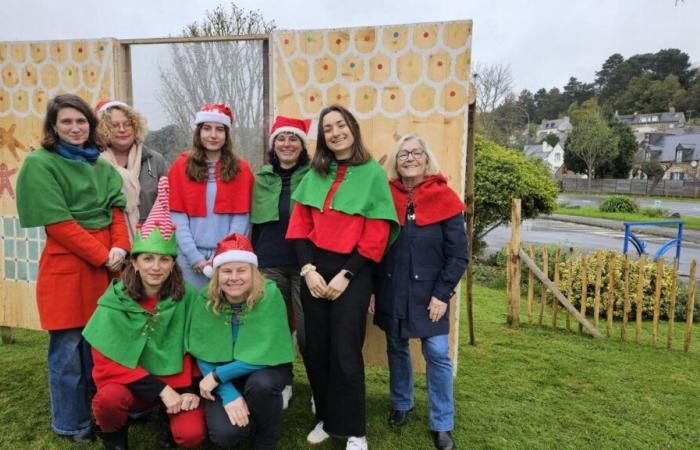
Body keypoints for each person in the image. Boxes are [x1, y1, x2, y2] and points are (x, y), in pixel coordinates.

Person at [15, 93, 130, 443]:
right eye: (66, 121)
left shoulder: (102, 165)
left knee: (105, 347)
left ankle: (106, 412)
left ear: (91, 125)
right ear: (53, 126)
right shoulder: (40, 163)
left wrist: (121, 246)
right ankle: (72, 422)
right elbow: (58, 223)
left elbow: (116, 211)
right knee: (68, 351)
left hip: (107, 262)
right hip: (70, 263)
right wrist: (101, 253)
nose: (75, 127)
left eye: (81, 121)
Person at [286, 104, 399, 450]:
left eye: (341, 125)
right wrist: (308, 270)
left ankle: (354, 429)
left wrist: (347, 274)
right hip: (315, 270)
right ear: (323, 137)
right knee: (316, 349)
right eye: (328, 128)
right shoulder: (314, 174)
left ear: (352, 127)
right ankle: (326, 418)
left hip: (354, 271)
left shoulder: (372, 175)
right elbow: (300, 227)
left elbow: (377, 233)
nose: (335, 133)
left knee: (346, 352)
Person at [83, 177, 206, 450]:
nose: (156, 267)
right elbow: (105, 362)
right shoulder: (114, 300)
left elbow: (202, 344)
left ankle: (168, 419)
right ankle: (115, 440)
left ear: (173, 264)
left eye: (164, 259)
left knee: (192, 435)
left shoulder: (189, 297)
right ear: (135, 263)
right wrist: (160, 390)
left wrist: (193, 390)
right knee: (108, 400)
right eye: (148, 258)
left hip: (179, 381)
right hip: (132, 385)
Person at [371, 134, 467, 450]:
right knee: (396, 346)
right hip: (391, 287)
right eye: (403, 154)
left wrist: (442, 295)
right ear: (396, 163)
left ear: (426, 159)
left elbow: (458, 254)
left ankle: (442, 422)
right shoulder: (385, 196)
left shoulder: (445, 197)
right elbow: (374, 247)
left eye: (416, 153)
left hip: (431, 294)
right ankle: (402, 402)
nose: (410, 158)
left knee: (437, 353)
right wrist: (373, 290)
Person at [188, 233, 295, 449]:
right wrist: (228, 394)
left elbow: (268, 350)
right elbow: (202, 349)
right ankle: (245, 417)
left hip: (266, 367)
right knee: (225, 436)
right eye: (226, 271)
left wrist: (218, 376)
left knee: (261, 386)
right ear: (217, 274)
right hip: (223, 373)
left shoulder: (269, 295)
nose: (234, 277)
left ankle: (266, 436)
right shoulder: (205, 300)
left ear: (253, 272)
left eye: (241, 270)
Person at [251, 115, 312, 407]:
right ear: (273, 146)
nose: (287, 144)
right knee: (276, 329)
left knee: (308, 331)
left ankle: (318, 387)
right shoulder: (261, 179)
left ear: (302, 146)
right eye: (281, 139)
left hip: (306, 265)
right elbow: (254, 225)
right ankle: (283, 381)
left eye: (293, 139)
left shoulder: (315, 176)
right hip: (269, 263)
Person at [168, 103, 254, 289]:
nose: (213, 135)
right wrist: (194, 257)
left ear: (227, 135)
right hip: (189, 257)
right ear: (199, 133)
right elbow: (177, 218)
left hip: (228, 257)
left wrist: (222, 255)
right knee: (193, 309)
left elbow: (241, 220)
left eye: (219, 129)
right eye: (207, 128)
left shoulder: (241, 169)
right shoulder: (181, 166)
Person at [95, 99, 168, 241]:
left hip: (150, 243)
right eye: (114, 125)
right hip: (108, 243)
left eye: (127, 124)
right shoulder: (95, 162)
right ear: (103, 129)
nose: (122, 129)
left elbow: (166, 204)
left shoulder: (155, 160)